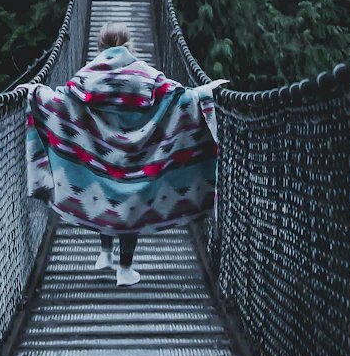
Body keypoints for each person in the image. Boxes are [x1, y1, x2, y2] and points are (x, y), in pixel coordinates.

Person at [20, 22, 227, 286]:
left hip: (100, 155)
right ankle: (125, 269)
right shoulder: (144, 74)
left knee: (103, 193)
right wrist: (206, 92)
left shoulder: (87, 76)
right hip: (137, 158)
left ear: (100, 46)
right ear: (129, 45)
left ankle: (105, 254)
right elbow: (178, 97)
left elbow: (63, 101)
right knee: (130, 206)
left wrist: (35, 93)